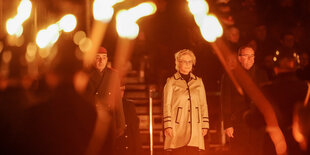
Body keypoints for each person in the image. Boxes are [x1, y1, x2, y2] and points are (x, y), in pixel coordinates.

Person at [221, 45, 268, 155]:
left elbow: (267, 98)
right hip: (238, 123)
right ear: (239, 58)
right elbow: (225, 100)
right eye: (246, 56)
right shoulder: (230, 75)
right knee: (239, 151)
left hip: (257, 123)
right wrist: (227, 124)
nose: (250, 59)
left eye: (252, 56)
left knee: (257, 150)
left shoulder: (262, 74)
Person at [163, 49, 209, 154]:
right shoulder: (171, 82)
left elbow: (203, 104)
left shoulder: (198, 81)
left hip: (195, 126)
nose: (188, 64)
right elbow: (167, 105)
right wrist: (168, 125)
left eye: (190, 61)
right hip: (177, 126)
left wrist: (205, 124)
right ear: (178, 63)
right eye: (185, 61)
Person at [262, 51, 308, 155]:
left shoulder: (267, 90)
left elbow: (254, 118)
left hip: (274, 144)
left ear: (276, 68)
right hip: (300, 145)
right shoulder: (307, 88)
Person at [85, 47, 125, 154]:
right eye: (98, 58)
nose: (101, 61)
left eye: (104, 58)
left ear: (107, 59)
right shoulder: (86, 75)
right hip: (92, 118)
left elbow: (117, 100)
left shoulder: (113, 75)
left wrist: (121, 122)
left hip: (109, 118)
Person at [114, 84, 142, 155]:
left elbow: (135, 131)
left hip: (128, 149)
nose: (120, 93)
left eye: (122, 90)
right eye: (118, 90)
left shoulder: (129, 106)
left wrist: (138, 151)